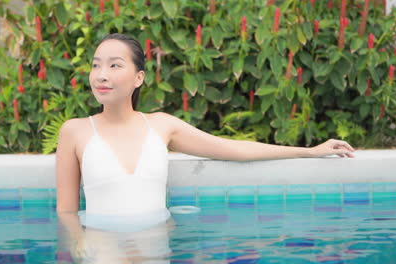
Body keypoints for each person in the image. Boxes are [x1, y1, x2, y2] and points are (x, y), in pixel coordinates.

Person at [54, 33, 355, 262]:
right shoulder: (75, 132)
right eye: (96, 66)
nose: (101, 75)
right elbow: (66, 211)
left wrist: (311, 151)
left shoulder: (160, 126)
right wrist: (80, 245)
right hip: (102, 251)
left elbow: (231, 148)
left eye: (114, 65)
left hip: (154, 249)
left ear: (138, 77)